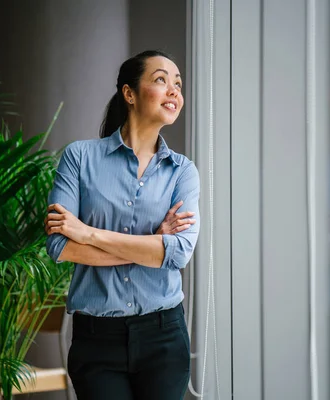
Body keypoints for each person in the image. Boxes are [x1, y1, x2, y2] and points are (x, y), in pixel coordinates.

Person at [44, 50, 200, 400]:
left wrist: (88, 234)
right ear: (129, 93)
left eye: (178, 83)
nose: (174, 90)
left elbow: (177, 253)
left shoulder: (183, 172)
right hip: (97, 341)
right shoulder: (79, 158)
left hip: (163, 336)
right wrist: (151, 244)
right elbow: (60, 247)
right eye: (161, 80)